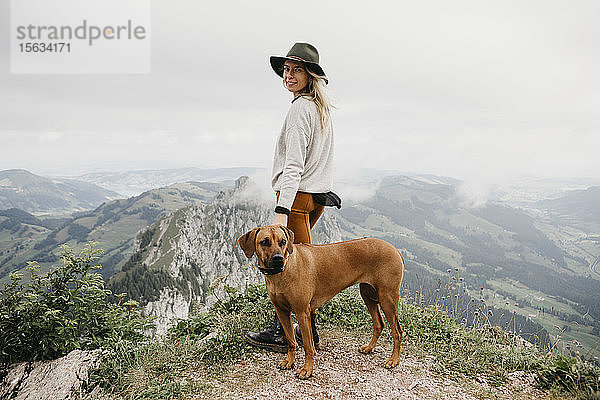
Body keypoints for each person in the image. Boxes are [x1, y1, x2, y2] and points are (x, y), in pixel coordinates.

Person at [245, 42, 341, 353]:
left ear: (310, 74)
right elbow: (321, 158)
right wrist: (321, 188)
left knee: (289, 270)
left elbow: (295, 164)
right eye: (286, 69)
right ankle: (305, 330)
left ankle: (282, 331)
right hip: (312, 198)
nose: (289, 75)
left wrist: (281, 209)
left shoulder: (301, 109)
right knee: (301, 267)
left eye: (296, 69)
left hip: (296, 199)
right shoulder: (317, 107)